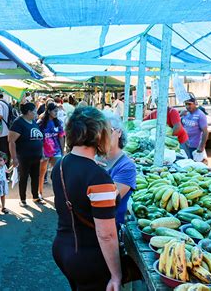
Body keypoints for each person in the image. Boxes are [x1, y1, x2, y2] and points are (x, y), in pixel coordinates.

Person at [51, 106, 122, 290]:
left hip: (62, 248)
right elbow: (106, 235)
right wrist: (116, 275)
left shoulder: (61, 164)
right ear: (100, 135)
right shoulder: (97, 177)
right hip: (89, 258)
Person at [97, 113, 137, 225]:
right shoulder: (92, 158)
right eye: (100, 132)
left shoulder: (127, 167)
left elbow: (108, 200)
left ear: (119, 132)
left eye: (108, 131)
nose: (103, 136)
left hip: (110, 226)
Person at [8, 102, 44, 206]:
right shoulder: (18, 123)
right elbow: (11, 141)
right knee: (23, 177)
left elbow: (38, 137)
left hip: (36, 156)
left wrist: (41, 152)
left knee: (35, 177)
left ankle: (35, 197)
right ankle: (22, 199)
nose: (36, 113)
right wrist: (14, 158)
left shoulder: (33, 121)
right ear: (28, 112)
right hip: (24, 157)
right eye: (34, 111)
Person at [38, 102, 65, 200]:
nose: (56, 112)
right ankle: (39, 193)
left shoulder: (58, 123)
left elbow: (61, 137)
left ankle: (58, 194)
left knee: (58, 173)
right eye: (55, 111)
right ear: (49, 111)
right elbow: (39, 139)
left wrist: (62, 151)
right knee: (42, 173)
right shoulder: (40, 123)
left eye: (57, 111)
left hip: (56, 151)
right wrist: (41, 153)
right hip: (44, 151)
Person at [181, 96, 209, 160]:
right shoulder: (185, 113)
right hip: (185, 144)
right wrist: (180, 115)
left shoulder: (200, 115)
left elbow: (205, 131)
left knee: (196, 164)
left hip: (195, 147)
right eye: (186, 104)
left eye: (189, 104)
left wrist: (201, 146)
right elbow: (179, 125)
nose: (188, 106)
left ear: (195, 104)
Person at [0, 90, 11, 163]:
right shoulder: (6, 103)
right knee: (6, 153)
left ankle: (2, 172)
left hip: (1, 133)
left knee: (1, 154)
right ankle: (6, 171)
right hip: (7, 132)